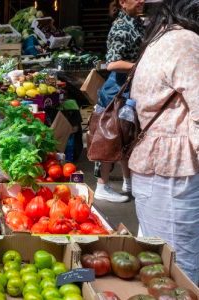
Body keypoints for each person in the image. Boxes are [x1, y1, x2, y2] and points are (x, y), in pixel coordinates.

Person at [129, 0, 199, 284]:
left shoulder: (161, 39)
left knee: (155, 260)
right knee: (180, 265)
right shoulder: (186, 42)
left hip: (155, 166)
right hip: (173, 172)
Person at [93, 0, 144, 202]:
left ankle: (128, 181)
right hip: (117, 89)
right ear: (123, 2)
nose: (142, 0)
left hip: (129, 88)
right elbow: (112, 63)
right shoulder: (120, 27)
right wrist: (141, 65)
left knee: (126, 135)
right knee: (111, 136)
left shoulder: (137, 22)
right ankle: (101, 186)